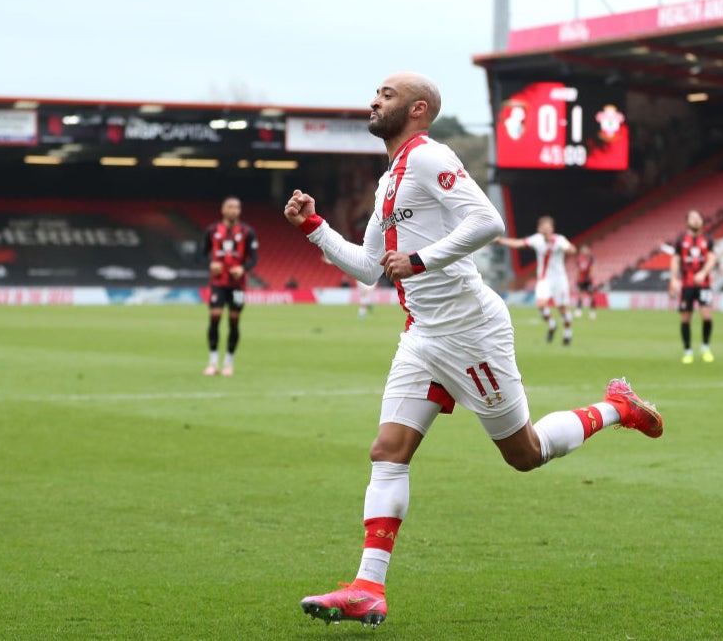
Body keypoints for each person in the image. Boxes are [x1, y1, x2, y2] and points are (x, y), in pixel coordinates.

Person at [283, 72, 663, 629]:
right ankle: (368, 586)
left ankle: (616, 407)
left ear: (418, 109)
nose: (373, 100)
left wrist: (421, 260)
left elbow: (489, 221)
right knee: (388, 451)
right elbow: (368, 269)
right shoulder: (389, 180)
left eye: (385, 95)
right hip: (422, 336)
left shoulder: (429, 156)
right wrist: (314, 226)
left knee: (525, 454)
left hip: (470, 332)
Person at [494, 216, 578, 345]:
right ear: (539, 229)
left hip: (559, 280)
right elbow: (519, 243)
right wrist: (500, 241)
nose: (545, 230)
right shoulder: (537, 240)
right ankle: (552, 324)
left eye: (548, 227)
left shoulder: (559, 240)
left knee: (562, 309)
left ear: (552, 228)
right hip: (544, 279)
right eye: (543, 227)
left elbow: (572, 249)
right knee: (541, 304)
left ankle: (567, 333)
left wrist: (570, 249)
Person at [201, 196, 258, 376]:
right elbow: (201, 254)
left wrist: (242, 268)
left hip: (238, 285)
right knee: (215, 317)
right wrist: (210, 263)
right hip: (218, 283)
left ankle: (228, 362)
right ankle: (213, 361)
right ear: (223, 210)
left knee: (234, 321)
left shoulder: (248, 232)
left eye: (237, 207)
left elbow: (254, 258)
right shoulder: (211, 230)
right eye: (231, 207)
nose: (234, 210)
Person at [668, 209, 716, 364]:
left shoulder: (708, 239)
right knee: (685, 318)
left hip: (704, 284)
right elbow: (675, 260)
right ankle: (688, 350)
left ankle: (705, 347)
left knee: (707, 316)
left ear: (702, 221)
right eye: (692, 218)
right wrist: (674, 278)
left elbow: (711, 259)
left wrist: (703, 273)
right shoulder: (681, 240)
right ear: (687, 221)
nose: (695, 220)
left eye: (698, 218)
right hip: (687, 285)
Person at [575, 244, 597, 319]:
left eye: (585, 250)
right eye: (582, 250)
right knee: (580, 295)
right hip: (581, 280)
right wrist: (577, 279)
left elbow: (592, 268)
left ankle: (592, 312)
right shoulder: (579, 258)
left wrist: (590, 276)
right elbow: (578, 269)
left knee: (591, 296)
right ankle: (578, 311)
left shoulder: (591, 258)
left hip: (588, 280)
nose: (583, 251)